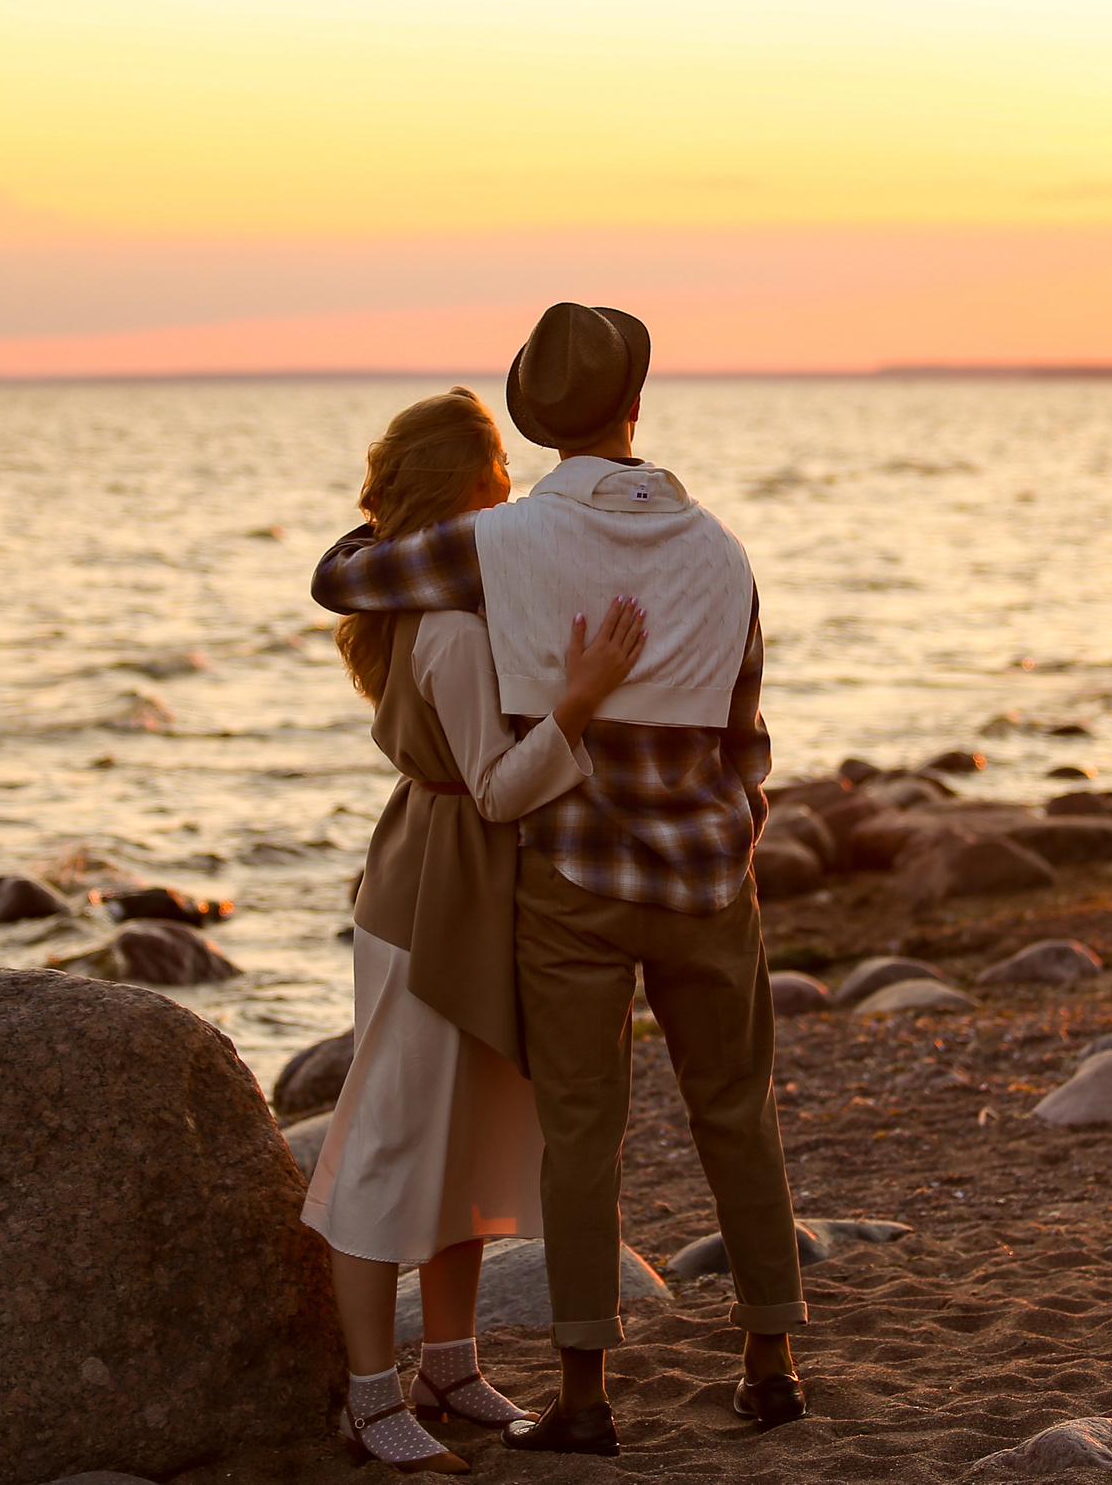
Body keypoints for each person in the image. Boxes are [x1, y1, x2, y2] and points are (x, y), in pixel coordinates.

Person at [311, 304, 806, 1459]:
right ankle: (772, 1363)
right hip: (704, 886)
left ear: (542, 425)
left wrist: (375, 515)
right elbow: (747, 732)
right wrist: (733, 835)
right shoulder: (720, 550)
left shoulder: (501, 546)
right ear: (634, 407)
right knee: (739, 1117)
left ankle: (584, 1397)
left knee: (579, 1136)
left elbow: (347, 580)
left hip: (575, 884)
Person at [301, 387, 650, 1475]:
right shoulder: (449, 628)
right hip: (431, 896)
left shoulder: (454, 600)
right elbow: (497, 789)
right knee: (388, 1149)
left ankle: (447, 1366)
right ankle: (369, 1396)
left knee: (461, 1152)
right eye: (503, 490)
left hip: (467, 889)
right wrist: (579, 708)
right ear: (474, 500)